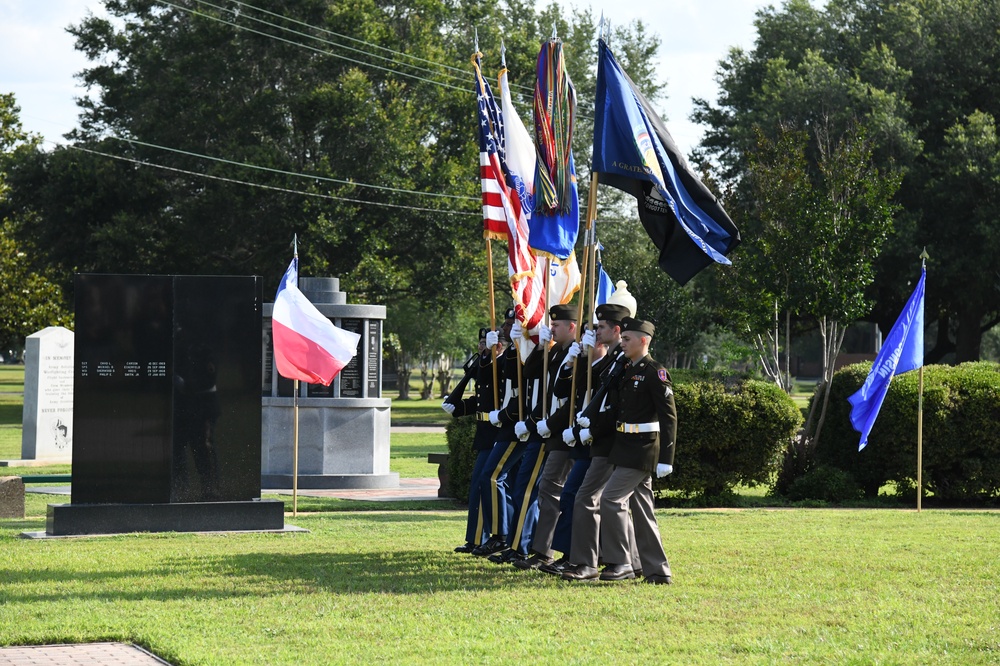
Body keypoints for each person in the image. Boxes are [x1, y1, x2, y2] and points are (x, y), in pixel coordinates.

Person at [559, 302, 644, 581]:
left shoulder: (622, 360)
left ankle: (589, 563)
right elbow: (581, 388)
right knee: (607, 501)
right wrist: (576, 359)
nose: (595, 332)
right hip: (603, 442)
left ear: (616, 330)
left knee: (589, 498)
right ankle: (630, 562)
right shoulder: (613, 360)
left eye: (600, 327)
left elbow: (617, 406)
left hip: (611, 442)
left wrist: (592, 430)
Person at [594, 317, 676, 584]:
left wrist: (666, 458)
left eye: (627, 339)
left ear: (644, 340)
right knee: (642, 510)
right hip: (625, 447)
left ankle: (621, 563)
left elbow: (669, 417)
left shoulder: (655, 371)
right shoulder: (627, 369)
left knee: (611, 499)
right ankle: (655, 570)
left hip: (642, 450)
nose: (623, 343)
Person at [511, 303, 579, 570]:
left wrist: (548, 423)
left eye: (557, 325)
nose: (552, 328)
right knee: (548, 491)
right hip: (552, 431)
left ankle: (555, 551)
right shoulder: (557, 351)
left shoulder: (577, 351)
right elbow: (529, 374)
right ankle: (544, 551)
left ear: (571, 326)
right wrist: (542, 347)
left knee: (556, 491)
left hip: (566, 431)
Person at [443, 328, 499, 553]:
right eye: (480, 342)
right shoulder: (484, 364)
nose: (481, 346)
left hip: (500, 432)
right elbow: (481, 400)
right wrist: (458, 407)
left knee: (488, 484)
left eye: (487, 342)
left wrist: (487, 358)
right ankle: (476, 538)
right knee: (477, 486)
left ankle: (499, 538)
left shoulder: (498, 366)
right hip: (485, 432)